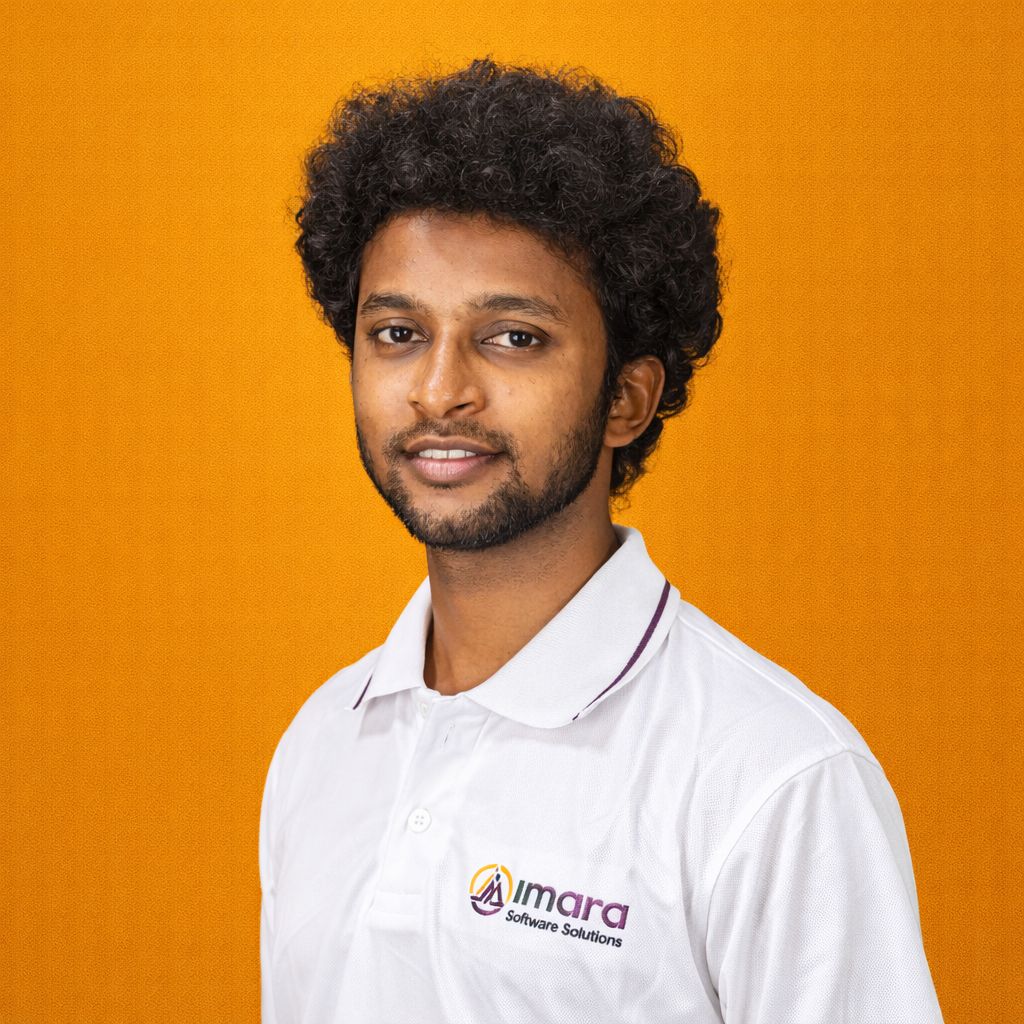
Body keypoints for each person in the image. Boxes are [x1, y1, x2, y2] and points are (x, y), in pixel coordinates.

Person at [260, 58, 943, 1023]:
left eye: (513, 337)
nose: (439, 391)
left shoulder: (771, 779)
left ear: (627, 398)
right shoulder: (321, 746)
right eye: (399, 333)